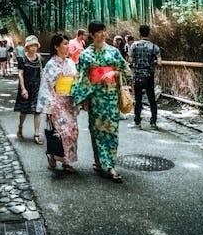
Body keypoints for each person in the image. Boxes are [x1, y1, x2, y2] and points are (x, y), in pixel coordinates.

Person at [72, 21, 130, 183]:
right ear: (91, 34)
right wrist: (80, 98)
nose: (103, 34)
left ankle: (110, 165)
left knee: (111, 131)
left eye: (104, 31)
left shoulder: (113, 52)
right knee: (96, 130)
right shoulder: (85, 55)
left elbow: (126, 70)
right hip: (95, 99)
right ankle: (98, 161)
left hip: (111, 98)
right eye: (99, 32)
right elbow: (81, 77)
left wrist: (112, 73)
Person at [38, 33, 79, 173]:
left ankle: (66, 160)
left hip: (69, 102)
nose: (68, 46)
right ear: (56, 47)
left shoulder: (71, 62)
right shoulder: (50, 64)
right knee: (61, 132)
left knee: (73, 131)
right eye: (65, 44)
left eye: (68, 44)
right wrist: (49, 108)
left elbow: (76, 82)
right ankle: (58, 158)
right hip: (56, 103)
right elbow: (46, 87)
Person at [128, 24, 162, 129]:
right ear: (148, 33)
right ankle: (153, 122)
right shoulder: (154, 46)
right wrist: (152, 62)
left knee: (138, 99)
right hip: (149, 75)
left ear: (139, 33)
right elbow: (160, 62)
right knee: (152, 99)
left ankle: (137, 122)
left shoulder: (134, 45)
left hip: (137, 75)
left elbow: (130, 60)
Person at [14, 35, 44, 144]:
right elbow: (20, 74)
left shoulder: (39, 58)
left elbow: (41, 72)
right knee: (24, 111)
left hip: (37, 87)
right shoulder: (22, 59)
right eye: (32, 46)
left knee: (37, 111)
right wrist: (23, 89)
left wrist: (43, 86)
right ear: (27, 47)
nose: (34, 48)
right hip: (26, 87)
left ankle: (36, 134)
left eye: (35, 45)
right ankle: (20, 126)